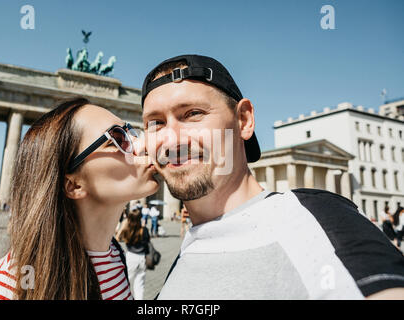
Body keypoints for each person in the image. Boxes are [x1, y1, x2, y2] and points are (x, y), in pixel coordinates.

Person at [141, 54, 404, 299]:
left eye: (193, 114)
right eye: (156, 123)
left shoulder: (317, 220)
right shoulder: (189, 247)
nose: (171, 140)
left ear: (244, 120)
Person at [0, 97, 159, 300]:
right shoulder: (2, 292)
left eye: (132, 132)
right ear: (73, 185)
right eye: (118, 138)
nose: (145, 143)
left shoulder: (114, 257)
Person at [116, 209, 150, 300]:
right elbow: (147, 244)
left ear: (129, 219)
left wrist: (123, 226)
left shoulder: (127, 229)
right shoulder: (144, 230)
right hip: (142, 257)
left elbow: (117, 239)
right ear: (140, 218)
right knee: (140, 285)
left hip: (131, 257)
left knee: (126, 282)